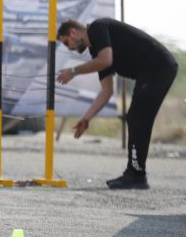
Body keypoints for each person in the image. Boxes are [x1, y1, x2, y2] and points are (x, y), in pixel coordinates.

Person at [56, 18, 178, 189]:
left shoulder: (97, 28)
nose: (70, 48)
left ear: (73, 32)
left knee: (137, 118)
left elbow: (106, 60)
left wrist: (74, 71)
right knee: (136, 118)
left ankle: (136, 174)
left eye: (67, 43)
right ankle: (136, 173)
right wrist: (86, 119)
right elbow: (107, 91)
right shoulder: (96, 51)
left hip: (158, 67)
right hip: (151, 71)